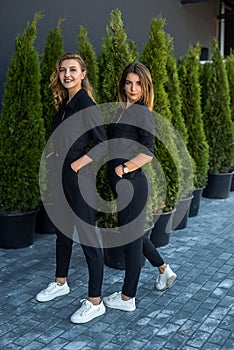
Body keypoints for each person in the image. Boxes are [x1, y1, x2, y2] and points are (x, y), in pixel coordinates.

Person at [36, 53, 107, 324]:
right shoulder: (65, 104)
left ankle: (95, 301)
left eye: (73, 70)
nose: (67, 74)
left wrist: (76, 164)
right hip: (60, 175)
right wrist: (54, 157)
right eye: (63, 70)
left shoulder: (86, 104)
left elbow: (102, 144)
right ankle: (61, 282)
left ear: (83, 74)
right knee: (62, 232)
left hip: (80, 179)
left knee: (88, 237)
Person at [103, 62, 176, 312]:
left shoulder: (142, 112)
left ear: (145, 87)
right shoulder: (123, 109)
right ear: (123, 84)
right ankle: (164, 270)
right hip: (123, 186)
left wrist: (123, 170)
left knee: (131, 239)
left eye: (138, 84)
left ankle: (127, 298)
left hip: (132, 184)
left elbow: (148, 153)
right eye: (128, 82)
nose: (133, 88)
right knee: (132, 234)